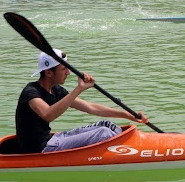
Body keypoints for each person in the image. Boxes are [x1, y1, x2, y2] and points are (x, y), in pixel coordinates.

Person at [15, 48, 148, 154]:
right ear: (49, 73)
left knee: (107, 125)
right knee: (103, 133)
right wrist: (79, 88)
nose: (68, 72)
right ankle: (131, 153)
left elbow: (90, 107)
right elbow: (48, 114)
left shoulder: (56, 90)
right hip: (39, 148)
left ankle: (129, 149)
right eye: (64, 69)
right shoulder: (31, 92)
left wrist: (127, 115)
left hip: (50, 139)